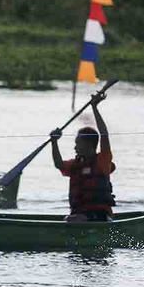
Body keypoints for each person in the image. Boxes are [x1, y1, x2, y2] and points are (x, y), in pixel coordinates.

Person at [50, 93, 116, 222]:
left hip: (100, 216)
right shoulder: (76, 164)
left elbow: (104, 135)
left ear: (89, 145)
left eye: (77, 144)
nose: (75, 148)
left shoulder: (102, 162)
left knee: (70, 220)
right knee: (70, 219)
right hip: (80, 215)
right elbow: (58, 164)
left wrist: (94, 108)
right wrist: (54, 142)